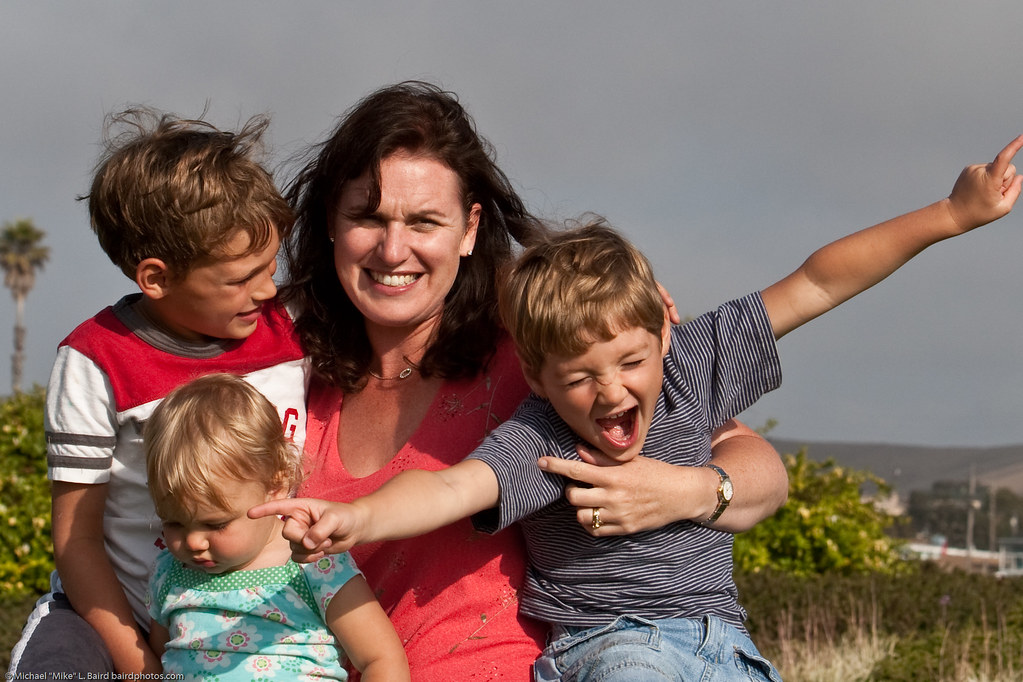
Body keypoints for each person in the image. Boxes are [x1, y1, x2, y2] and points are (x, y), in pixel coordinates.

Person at [256, 136, 1023, 681]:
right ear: (538, 374)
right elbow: (454, 487)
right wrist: (357, 518)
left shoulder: (689, 366)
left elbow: (815, 284)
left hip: (728, 648)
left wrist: (948, 216)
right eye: (581, 376)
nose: (613, 391)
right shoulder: (540, 434)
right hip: (612, 651)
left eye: (628, 362)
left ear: (662, 329)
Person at [277, 80, 789, 680]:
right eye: (367, 216)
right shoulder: (287, 375)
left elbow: (759, 469)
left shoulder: (540, 355)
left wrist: (691, 492)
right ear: (331, 223)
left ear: (468, 230)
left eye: (424, 222)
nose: (394, 249)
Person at [8, 108, 307, 676]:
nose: (267, 289)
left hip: (258, 614)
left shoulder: (292, 326)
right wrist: (142, 665)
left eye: (271, 266)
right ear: (156, 278)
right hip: (113, 615)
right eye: (242, 277)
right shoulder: (95, 361)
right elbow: (77, 540)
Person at [144, 373, 408, 681]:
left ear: (276, 484)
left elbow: (380, 658)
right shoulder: (170, 572)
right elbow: (163, 660)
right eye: (173, 523)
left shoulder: (312, 563)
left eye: (215, 523)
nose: (193, 542)